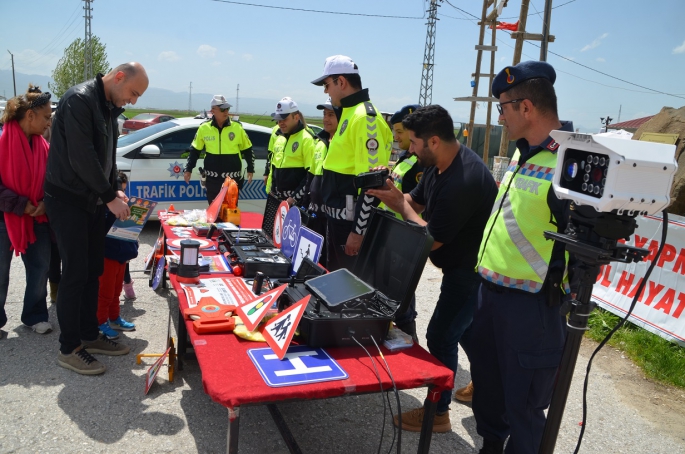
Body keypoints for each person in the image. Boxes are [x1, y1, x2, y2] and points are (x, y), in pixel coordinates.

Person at [367, 104, 497, 433]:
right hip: (459, 265)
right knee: (463, 329)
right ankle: (487, 383)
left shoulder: (463, 179)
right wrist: (390, 194)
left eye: (413, 142)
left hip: (472, 270)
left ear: (434, 140)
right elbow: (414, 204)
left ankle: (438, 412)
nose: (408, 148)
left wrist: (399, 205)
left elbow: (431, 240)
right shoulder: (439, 166)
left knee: (441, 335)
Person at [470, 61, 574, 454]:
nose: (499, 118)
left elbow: (582, 250)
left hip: (531, 309)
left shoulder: (569, 162)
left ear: (525, 107)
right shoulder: (522, 152)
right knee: (490, 393)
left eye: (502, 108)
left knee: (524, 407)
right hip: (491, 295)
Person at [45, 62, 149, 375]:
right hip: (67, 200)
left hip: (89, 201)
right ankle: (69, 347)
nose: (132, 101)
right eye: (133, 92)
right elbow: (82, 157)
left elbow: (106, 157)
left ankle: (89, 335)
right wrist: (108, 196)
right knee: (75, 273)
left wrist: (116, 188)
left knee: (93, 269)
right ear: (119, 77)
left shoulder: (107, 107)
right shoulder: (79, 99)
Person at [311, 55, 393, 271]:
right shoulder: (349, 113)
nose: (326, 91)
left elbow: (373, 184)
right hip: (338, 222)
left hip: (351, 227)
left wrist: (358, 232)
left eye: (327, 85)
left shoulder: (365, 117)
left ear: (341, 82)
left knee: (351, 294)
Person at [0, 85, 54, 338]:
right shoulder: (1, 142)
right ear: (30, 115)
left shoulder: (43, 146)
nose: (48, 123)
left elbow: (52, 180)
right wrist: (21, 204)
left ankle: (34, 315)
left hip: (37, 217)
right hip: (5, 217)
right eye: (46, 117)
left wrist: (45, 201)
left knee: (41, 267)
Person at [379, 104, 425, 341]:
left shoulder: (420, 164)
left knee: (403, 301)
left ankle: (410, 344)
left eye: (399, 131)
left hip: (406, 238)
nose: (395, 137)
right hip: (391, 235)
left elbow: (417, 204)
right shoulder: (406, 158)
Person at [183, 95, 255, 204]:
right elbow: (195, 150)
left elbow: (248, 149)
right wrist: (188, 169)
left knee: (230, 215)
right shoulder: (204, 128)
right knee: (214, 214)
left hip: (232, 180)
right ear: (213, 110)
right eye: (222, 109)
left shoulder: (237, 128)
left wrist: (250, 168)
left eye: (227, 108)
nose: (226, 111)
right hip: (212, 180)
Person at [97, 172, 138, 340]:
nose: (122, 198)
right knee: (105, 292)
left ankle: (114, 318)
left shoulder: (123, 207)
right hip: (107, 254)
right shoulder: (103, 210)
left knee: (116, 290)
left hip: (120, 255)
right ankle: (100, 322)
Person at [306, 97, 340, 266]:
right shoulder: (319, 142)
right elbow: (311, 175)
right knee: (312, 259)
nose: (326, 119)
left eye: (331, 114)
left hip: (331, 218)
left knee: (328, 263)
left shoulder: (343, 144)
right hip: (314, 215)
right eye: (324, 114)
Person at [267, 97, 317, 207]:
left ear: (296, 117)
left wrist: (294, 198)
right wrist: (272, 191)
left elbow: (310, 176)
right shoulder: (279, 138)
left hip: (296, 202)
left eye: (284, 119)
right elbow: (274, 169)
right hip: (277, 200)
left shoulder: (306, 139)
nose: (281, 123)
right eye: (279, 120)